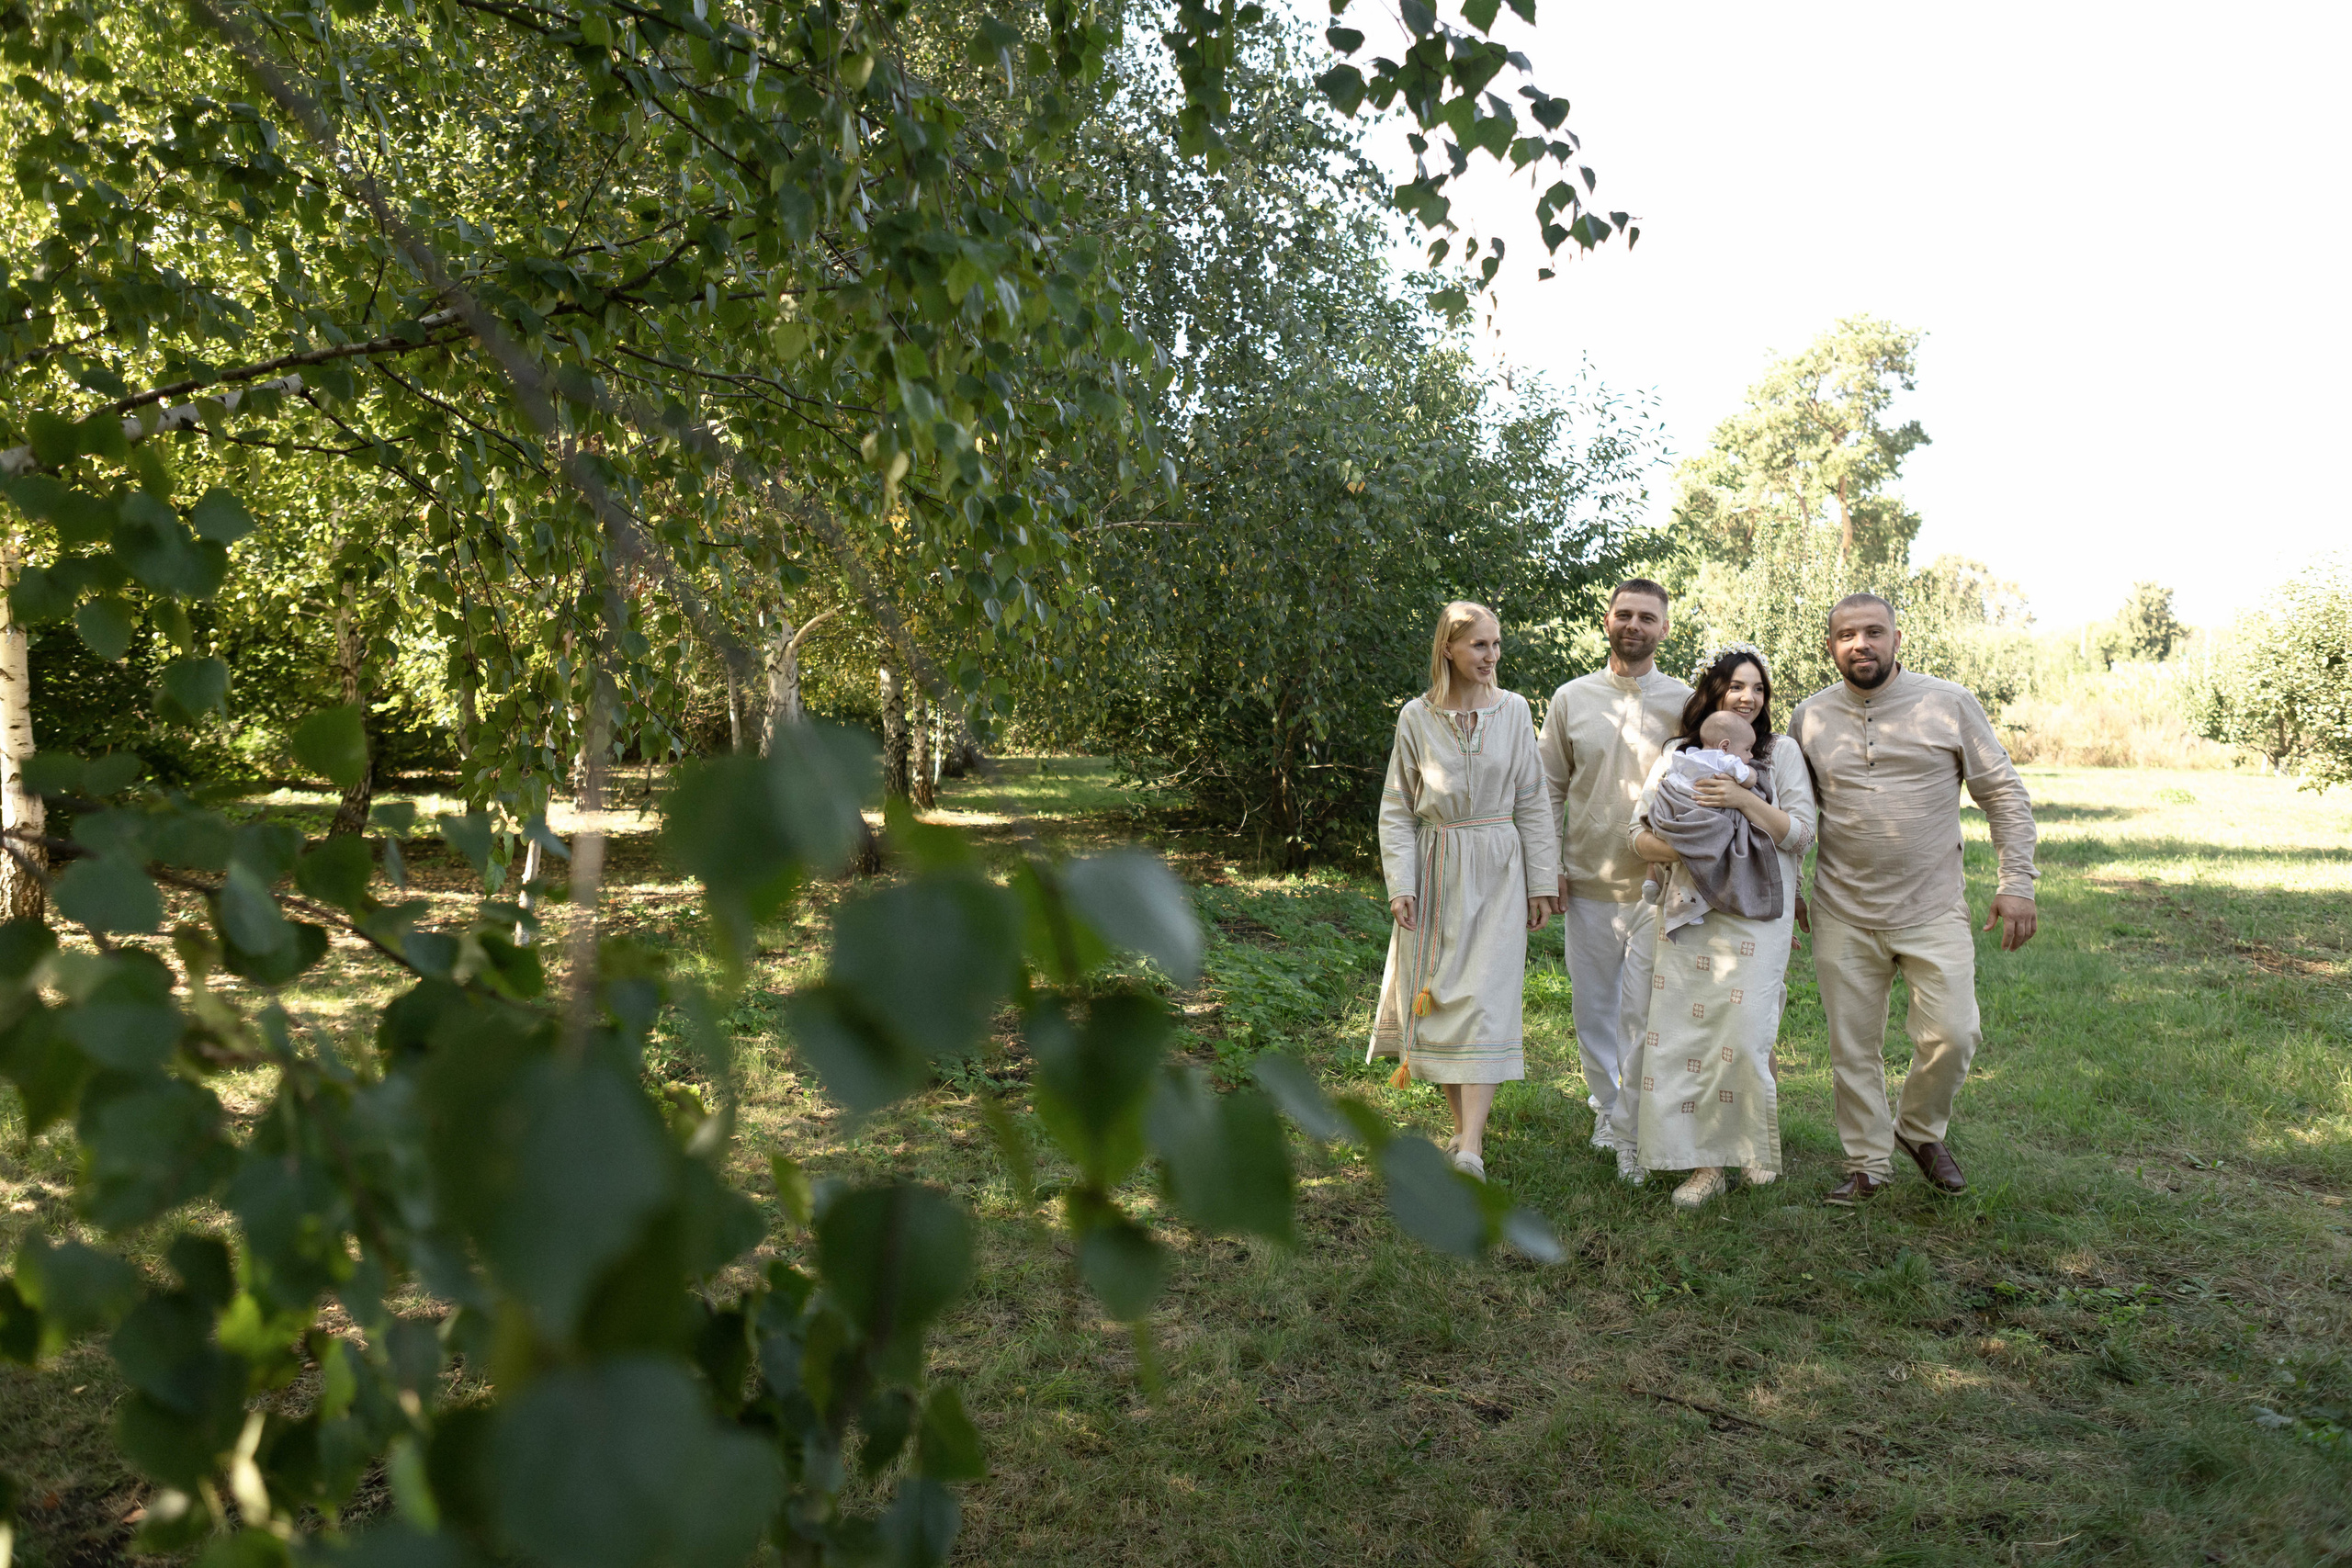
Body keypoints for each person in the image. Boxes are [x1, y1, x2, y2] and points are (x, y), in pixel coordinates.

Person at [1789, 592, 2040, 1206]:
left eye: (1874, 631)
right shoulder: (1810, 717)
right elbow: (1792, 809)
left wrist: (2017, 882)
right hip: (1842, 908)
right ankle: (1866, 1164)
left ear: (1897, 639)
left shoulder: (1947, 703)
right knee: (1853, 1047)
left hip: (1932, 907)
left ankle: (1918, 1129)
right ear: (1831, 646)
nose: (1861, 644)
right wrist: (1786, 887)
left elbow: (2004, 795)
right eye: (1847, 634)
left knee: (1954, 1034)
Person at [1621, 646, 1816, 1207]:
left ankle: (1751, 1148)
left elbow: (1801, 834)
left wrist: (1739, 800)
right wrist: (1691, 848)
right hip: (1689, 914)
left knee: (1747, 1035)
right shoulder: (1679, 756)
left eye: (1758, 688)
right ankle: (1704, 1166)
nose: (1748, 697)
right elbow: (1635, 834)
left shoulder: (1781, 755)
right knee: (1688, 1041)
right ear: (1715, 693)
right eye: (1737, 687)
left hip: (1756, 917)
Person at [1368, 602, 1557, 1180]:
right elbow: (1397, 806)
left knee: (1486, 1000)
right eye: (1480, 646)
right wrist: (1401, 881)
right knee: (1446, 998)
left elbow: (1532, 799)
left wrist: (1540, 883)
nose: (1492, 656)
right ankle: (1461, 1133)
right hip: (1437, 867)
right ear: (1448, 647)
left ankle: (1471, 1147)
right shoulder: (1415, 718)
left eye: (1497, 645)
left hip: (1499, 866)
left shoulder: (1517, 711)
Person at [1537, 580, 1691, 1164]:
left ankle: (1644, 1108)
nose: (1634, 625)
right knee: (1595, 1004)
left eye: (1647, 617)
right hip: (1589, 877)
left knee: (1651, 1007)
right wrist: (1547, 862)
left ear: (1664, 629)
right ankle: (1609, 1108)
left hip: (1667, 885)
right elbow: (1548, 787)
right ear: (1607, 620)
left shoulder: (1686, 701)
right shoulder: (1572, 698)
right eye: (1624, 614)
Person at [1638, 709, 1784, 939]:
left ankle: (1651, 876)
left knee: (1662, 836)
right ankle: (1693, 904)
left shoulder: (1688, 755)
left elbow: (1671, 780)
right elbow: (1748, 779)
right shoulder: (1725, 761)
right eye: (1747, 750)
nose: (1750, 755)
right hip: (1701, 813)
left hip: (1675, 808)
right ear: (1725, 746)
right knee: (1720, 833)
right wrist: (1754, 774)